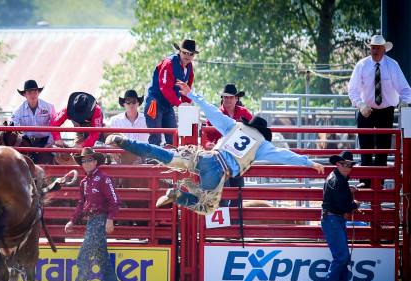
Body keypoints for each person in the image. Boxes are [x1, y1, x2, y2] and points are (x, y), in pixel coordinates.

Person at [106, 80, 325, 215]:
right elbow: (283, 155)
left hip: (206, 157)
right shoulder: (262, 145)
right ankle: (178, 196)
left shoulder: (235, 126)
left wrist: (192, 94)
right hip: (220, 172)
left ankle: (123, 141)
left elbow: (211, 110)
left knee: (163, 155)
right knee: (206, 207)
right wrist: (309, 162)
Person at [347, 34, 411, 188]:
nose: (375, 51)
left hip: (385, 111)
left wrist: (404, 102)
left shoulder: (392, 65)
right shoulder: (362, 65)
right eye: (372, 48)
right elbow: (352, 89)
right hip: (365, 110)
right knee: (365, 148)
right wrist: (360, 105)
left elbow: (405, 89)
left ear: (384, 49)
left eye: (377, 48)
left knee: (383, 149)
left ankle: (378, 184)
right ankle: (365, 183)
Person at [63, 147, 121, 281]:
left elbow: (114, 200)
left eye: (89, 160)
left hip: (99, 221)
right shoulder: (84, 182)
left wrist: (110, 219)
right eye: (84, 160)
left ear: (95, 162)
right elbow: (82, 204)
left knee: (83, 257)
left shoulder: (103, 178)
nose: (86, 163)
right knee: (102, 259)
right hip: (93, 221)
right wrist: (72, 221)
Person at [321, 151, 360, 281]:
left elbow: (338, 196)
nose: (347, 167)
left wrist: (347, 190)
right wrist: (354, 204)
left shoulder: (338, 179)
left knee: (343, 257)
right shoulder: (338, 181)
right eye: (344, 164)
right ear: (338, 164)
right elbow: (343, 205)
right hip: (333, 220)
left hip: (333, 220)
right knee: (342, 257)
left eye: (349, 165)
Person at [144, 39, 198, 146]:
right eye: (185, 52)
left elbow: (187, 86)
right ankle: (152, 162)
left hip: (169, 104)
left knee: (173, 138)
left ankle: (172, 162)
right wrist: (180, 104)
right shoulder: (168, 63)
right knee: (155, 136)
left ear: (193, 55)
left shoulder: (189, 66)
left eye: (190, 54)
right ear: (179, 52)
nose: (187, 56)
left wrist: (186, 102)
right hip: (155, 102)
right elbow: (165, 88)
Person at [207, 83, 253, 208]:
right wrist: (209, 144)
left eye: (231, 97)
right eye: (225, 97)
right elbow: (208, 136)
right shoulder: (216, 114)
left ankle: (235, 222)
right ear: (222, 98)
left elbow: (254, 131)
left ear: (236, 98)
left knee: (238, 192)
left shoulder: (244, 113)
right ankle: (225, 222)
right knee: (222, 193)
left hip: (237, 158)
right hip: (220, 159)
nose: (228, 100)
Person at [11, 79, 56, 164]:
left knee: (52, 161)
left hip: (45, 142)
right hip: (26, 142)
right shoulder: (18, 111)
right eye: (29, 92)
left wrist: (49, 142)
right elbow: (13, 128)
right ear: (25, 94)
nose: (33, 95)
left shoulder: (49, 107)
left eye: (35, 92)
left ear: (38, 93)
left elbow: (55, 124)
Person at [106, 89, 148, 164]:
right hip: (122, 157)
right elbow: (106, 138)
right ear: (124, 104)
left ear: (138, 103)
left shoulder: (147, 120)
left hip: (142, 157)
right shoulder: (115, 120)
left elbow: (156, 137)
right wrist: (112, 150)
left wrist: (149, 151)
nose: (131, 104)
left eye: (134, 101)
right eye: (128, 102)